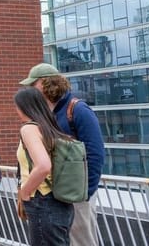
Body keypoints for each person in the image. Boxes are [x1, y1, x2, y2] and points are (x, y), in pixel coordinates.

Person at [20, 63, 104, 245]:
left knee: (81, 241)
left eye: (32, 85)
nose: (29, 90)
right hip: (56, 195)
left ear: (43, 83)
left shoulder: (78, 110)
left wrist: (84, 193)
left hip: (77, 194)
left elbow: (95, 154)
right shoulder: (48, 113)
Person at [14, 87, 75, 245]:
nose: (16, 110)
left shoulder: (29, 128)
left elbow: (43, 165)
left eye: (17, 106)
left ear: (25, 106)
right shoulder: (49, 128)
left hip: (42, 200)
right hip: (60, 200)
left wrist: (25, 192)